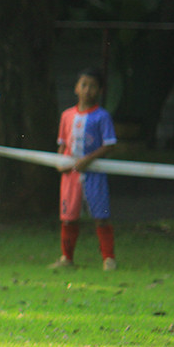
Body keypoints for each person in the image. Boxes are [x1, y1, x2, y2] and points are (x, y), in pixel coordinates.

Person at [49, 68, 118, 271]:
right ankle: (66, 258)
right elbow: (62, 143)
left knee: (101, 215)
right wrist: (61, 161)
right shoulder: (67, 115)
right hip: (70, 176)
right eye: (84, 85)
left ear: (100, 90)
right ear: (76, 88)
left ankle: (108, 258)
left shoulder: (102, 116)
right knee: (69, 217)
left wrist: (88, 160)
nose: (87, 90)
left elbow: (109, 145)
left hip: (94, 174)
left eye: (93, 86)